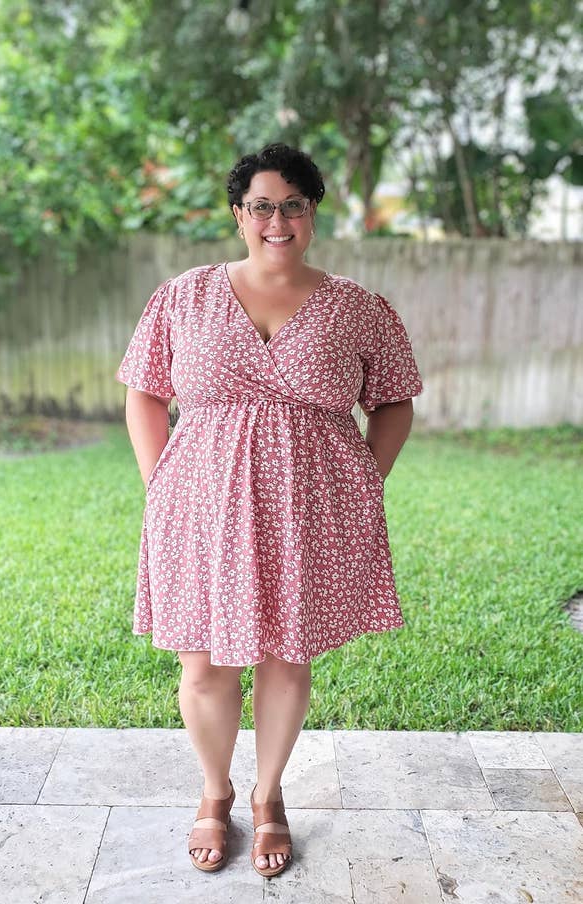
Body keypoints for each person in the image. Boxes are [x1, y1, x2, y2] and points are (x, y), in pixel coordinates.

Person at [115, 142, 424, 877]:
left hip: (308, 513)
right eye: (261, 205)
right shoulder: (182, 296)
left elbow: (395, 402)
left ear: (313, 213)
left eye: (293, 204)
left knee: (288, 658)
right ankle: (214, 794)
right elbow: (144, 393)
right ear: (237, 214)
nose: (277, 220)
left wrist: (363, 483)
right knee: (204, 665)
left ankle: (268, 796)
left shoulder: (358, 307)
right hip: (199, 508)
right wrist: (159, 482)